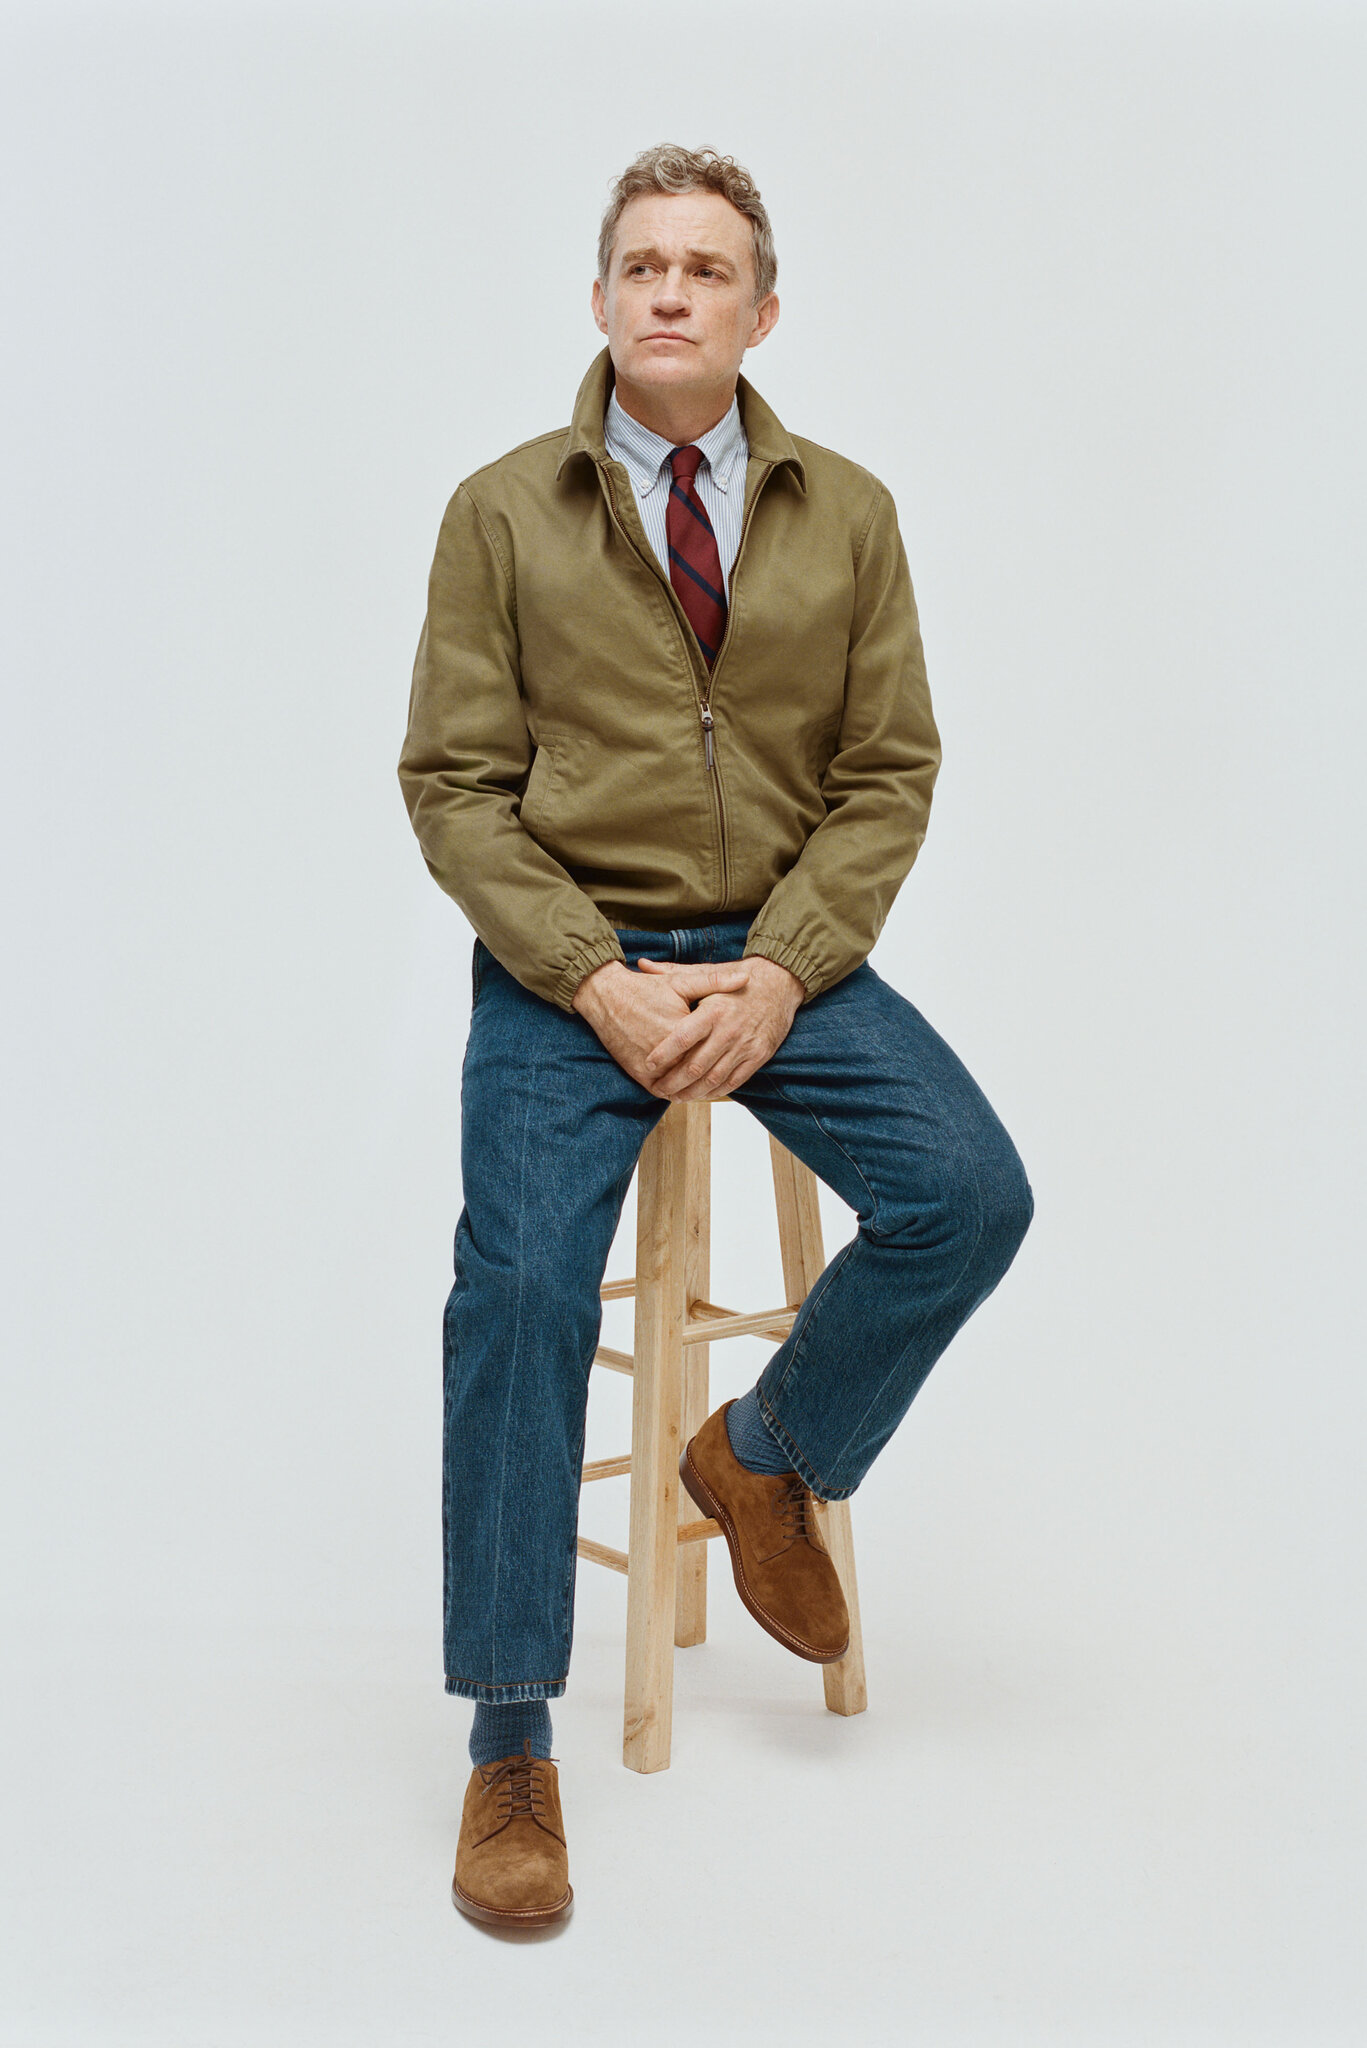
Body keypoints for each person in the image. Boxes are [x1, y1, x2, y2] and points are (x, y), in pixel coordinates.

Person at [397, 143, 1034, 1929]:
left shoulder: (851, 514)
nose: (671, 289)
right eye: (643, 265)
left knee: (973, 1193)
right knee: (519, 1288)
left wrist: (781, 971)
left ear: (762, 312)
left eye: (707, 267)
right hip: (569, 969)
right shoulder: (502, 512)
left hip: (779, 957)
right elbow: (453, 787)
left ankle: (765, 1455)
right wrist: (590, 972)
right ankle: (509, 1739)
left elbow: (887, 774)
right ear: (600, 300)